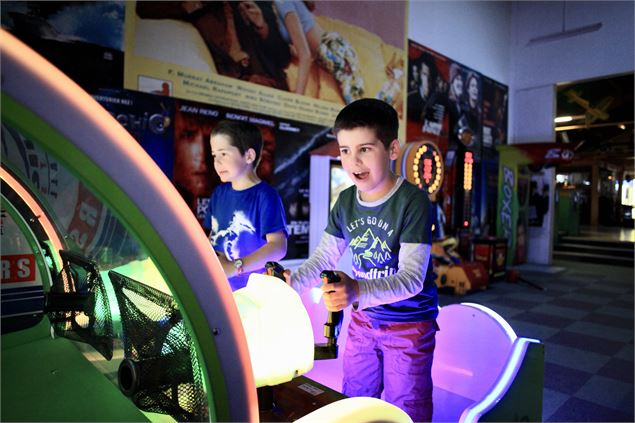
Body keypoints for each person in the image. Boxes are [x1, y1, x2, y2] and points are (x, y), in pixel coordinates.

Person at [285, 98, 438, 422]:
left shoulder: (413, 202)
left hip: (408, 324)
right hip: (363, 321)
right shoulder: (345, 201)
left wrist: (357, 291)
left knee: (406, 406)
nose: (353, 161)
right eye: (344, 150)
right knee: (354, 399)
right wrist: (291, 283)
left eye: (365, 149)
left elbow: (412, 278)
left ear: (392, 149)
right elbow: (325, 256)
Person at [204, 120, 288, 291]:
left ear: (249, 156)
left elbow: (278, 246)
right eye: (214, 155)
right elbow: (212, 238)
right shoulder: (218, 194)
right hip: (219, 289)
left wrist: (235, 266)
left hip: (253, 294)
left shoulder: (265, 196)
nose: (217, 162)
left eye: (224, 154)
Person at [272, 0, 364, 103]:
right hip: (325, 54)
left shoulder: (283, 2)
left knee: (355, 104)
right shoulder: (273, 8)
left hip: (333, 48)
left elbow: (305, 56)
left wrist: (296, 101)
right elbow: (300, 50)